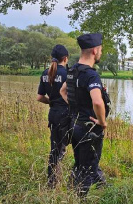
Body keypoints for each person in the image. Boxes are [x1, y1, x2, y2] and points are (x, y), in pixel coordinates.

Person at [60, 33, 108, 196]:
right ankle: (79, 197)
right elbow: (97, 102)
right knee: (88, 168)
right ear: (95, 50)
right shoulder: (91, 74)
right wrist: (102, 121)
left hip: (75, 125)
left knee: (81, 162)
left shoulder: (73, 70)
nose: (101, 52)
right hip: (89, 129)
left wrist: (76, 108)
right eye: (100, 49)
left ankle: (97, 187)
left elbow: (63, 91)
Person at [36, 44, 72, 188]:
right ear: (66, 58)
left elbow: (39, 97)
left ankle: (52, 181)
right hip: (66, 115)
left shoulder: (45, 73)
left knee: (55, 148)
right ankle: (60, 181)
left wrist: (51, 102)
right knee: (68, 147)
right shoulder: (67, 74)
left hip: (53, 114)